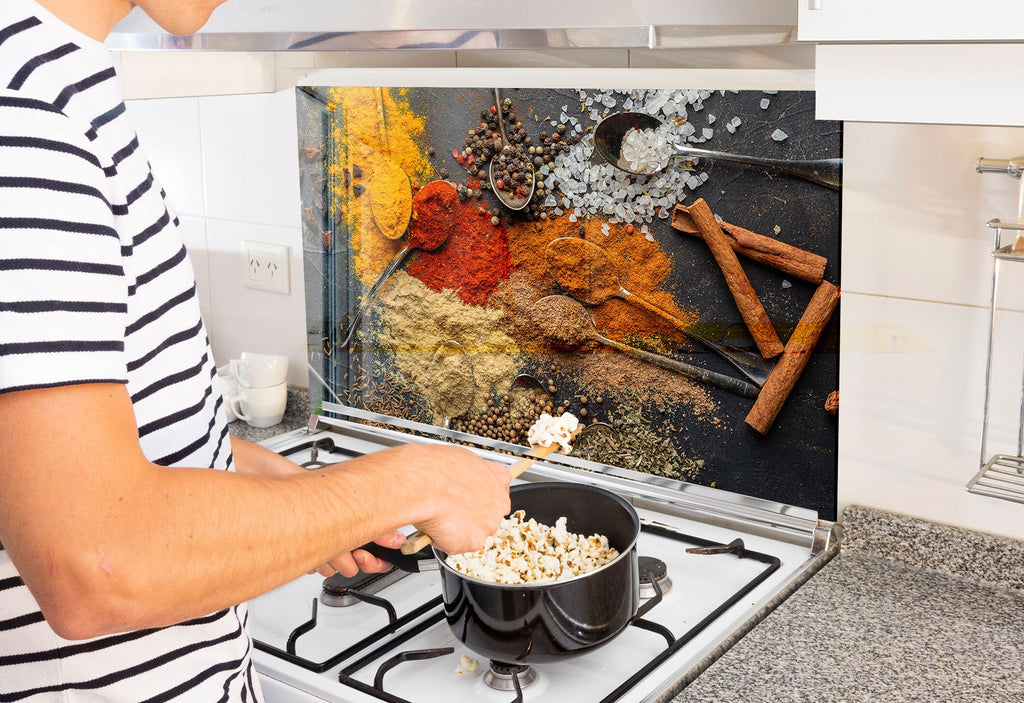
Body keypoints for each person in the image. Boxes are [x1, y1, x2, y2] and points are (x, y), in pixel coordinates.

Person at [0, 0, 513, 699]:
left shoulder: (54, 80)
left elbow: (80, 452)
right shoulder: (24, 117)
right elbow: (96, 563)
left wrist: (299, 499)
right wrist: (417, 480)